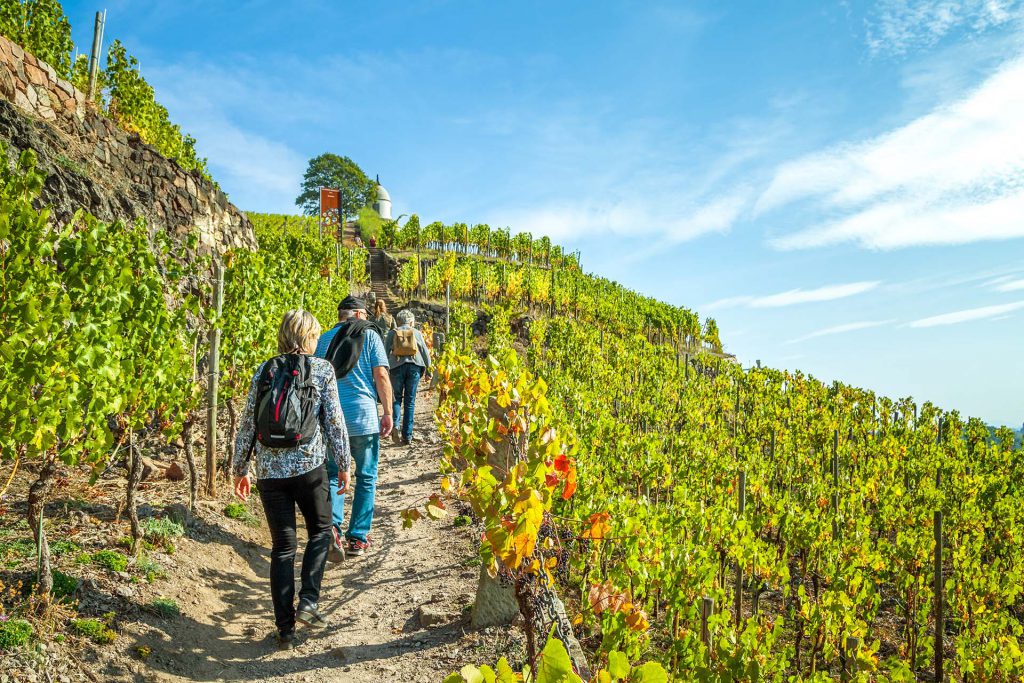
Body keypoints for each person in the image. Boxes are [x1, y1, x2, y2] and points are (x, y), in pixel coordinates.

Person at [232, 310, 352, 649]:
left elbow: (247, 425)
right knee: (320, 531)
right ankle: (309, 602)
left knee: (282, 549)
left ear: (284, 336)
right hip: (310, 468)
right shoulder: (322, 370)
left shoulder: (264, 369)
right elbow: (334, 422)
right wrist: (344, 464)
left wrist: (240, 468)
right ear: (309, 337)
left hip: (270, 474)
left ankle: (285, 629)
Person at [315, 295, 394, 557]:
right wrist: (388, 411)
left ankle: (333, 528)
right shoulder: (370, 336)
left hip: (332, 419)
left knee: (334, 473)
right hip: (363, 417)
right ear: (360, 315)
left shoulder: (323, 339)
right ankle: (358, 538)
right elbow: (381, 374)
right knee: (367, 477)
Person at [384, 310, 432, 446]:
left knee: (396, 398)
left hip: (396, 367)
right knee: (410, 401)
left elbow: (384, 350)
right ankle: (407, 435)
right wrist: (429, 368)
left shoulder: (392, 333)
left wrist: (384, 368)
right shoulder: (416, 332)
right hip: (414, 367)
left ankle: (396, 425)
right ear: (411, 322)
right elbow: (424, 351)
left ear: (397, 321)